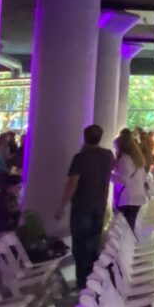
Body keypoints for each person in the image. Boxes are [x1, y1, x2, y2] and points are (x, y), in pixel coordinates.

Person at [54, 124, 116, 289]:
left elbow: (72, 184)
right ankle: (95, 280)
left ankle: (83, 282)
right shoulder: (108, 155)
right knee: (94, 242)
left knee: (80, 246)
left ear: (84, 137)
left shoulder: (80, 158)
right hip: (99, 205)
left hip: (82, 206)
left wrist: (61, 206)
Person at [112, 128, 149, 229]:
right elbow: (144, 177)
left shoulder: (124, 158)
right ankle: (132, 242)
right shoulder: (137, 157)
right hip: (138, 195)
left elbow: (123, 180)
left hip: (128, 197)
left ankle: (130, 243)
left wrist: (109, 175)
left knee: (127, 227)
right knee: (131, 224)